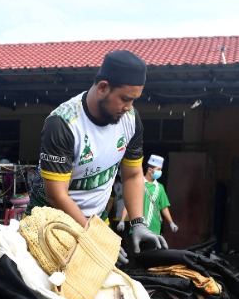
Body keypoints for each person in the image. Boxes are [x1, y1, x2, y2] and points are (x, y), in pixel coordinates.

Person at [29, 50, 166, 256]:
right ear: (103, 88)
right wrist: (93, 239)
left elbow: (132, 175)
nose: (129, 108)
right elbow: (57, 195)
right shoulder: (62, 124)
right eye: (125, 99)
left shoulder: (131, 120)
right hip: (50, 222)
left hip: (96, 221)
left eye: (134, 101)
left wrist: (138, 223)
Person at [138, 154, 179, 239]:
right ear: (150, 170)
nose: (160, 172)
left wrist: (171, 223)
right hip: (138, 228)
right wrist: (122, 220)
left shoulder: (159, 188)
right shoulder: (138, 183)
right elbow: (130, 203)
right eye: (158, 169)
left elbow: (164, 207)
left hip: (154, 229)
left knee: (151, 252)